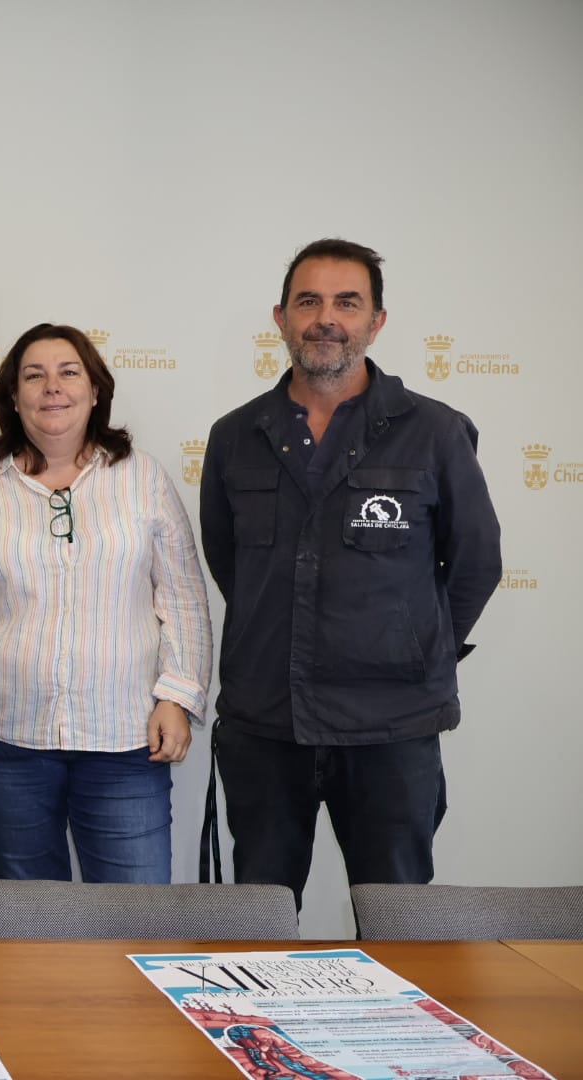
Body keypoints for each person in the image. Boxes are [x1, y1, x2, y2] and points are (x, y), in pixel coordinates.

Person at [199, 238, 501, 907]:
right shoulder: (235, 435)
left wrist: (415, 644)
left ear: (376, 321)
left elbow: (476, 561)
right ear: (280, 317)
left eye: (346, 302)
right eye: (308, 301)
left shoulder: (435, 431)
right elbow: (231, 566)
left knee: (399, 920)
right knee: (258, 920)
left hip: (391, 726)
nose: (325, 318)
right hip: (266, 722)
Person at [0, 322, 212, 883]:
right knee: (30, 926)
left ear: (95, 390)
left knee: (135, 921)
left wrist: (177, 696)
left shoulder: (141, 477)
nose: (52, 387)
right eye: (34, 376)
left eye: (68, 372)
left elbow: (183, 596)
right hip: (7, 740)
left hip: (125, 742)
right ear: (13, 395)